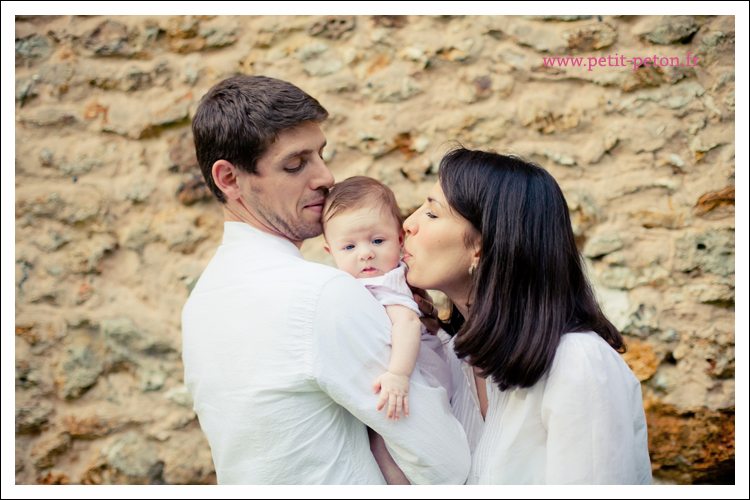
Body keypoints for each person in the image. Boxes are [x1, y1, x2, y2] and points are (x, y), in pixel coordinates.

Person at [180, 75, 470, 485]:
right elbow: (445, 462)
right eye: (296, 164)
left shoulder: (200, 304)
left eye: (320, 155)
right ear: (229, 179)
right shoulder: (320, 293)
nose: (326, 177)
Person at [402, 147, 653, 485]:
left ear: (483, 244)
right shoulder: (448, 354)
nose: (408, 223)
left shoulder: (578, 363)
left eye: (432, 213)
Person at [321, 176, 455, 484]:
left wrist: (398, 374)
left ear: (399, 238)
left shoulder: (385, 282)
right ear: (331, 251)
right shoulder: (356, 283)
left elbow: (407, 323)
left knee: (380, 440)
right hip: (411, 375)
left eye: (377, 241)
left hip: (420, 373)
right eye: (350, 246)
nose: (365, 253)